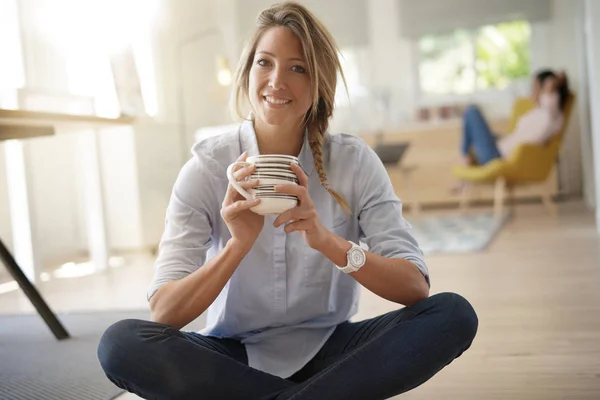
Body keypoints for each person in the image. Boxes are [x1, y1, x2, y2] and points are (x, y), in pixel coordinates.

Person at [97, 2, 478, 399]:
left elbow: (415, 286)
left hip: (335, 350)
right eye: (265, 63)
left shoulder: (353, 161)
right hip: (234, 357)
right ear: (247, 73)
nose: (277, 81)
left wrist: (327, 241)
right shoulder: (207, 168)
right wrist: (237, 245)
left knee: (452, 314)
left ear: (318, 84)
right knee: (121, 343)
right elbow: (164, 313)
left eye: (298, 68)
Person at [459, 69, 570, 168]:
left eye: (534, 86)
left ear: (545, 88)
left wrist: (552, 83)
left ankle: (465, 156)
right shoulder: (542, 113)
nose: (532, 91)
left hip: (497, 156)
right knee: (477, 131)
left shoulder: (549, 115)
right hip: (500, 148)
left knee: (471, 111)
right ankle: (467, 157)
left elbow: (551, 108)